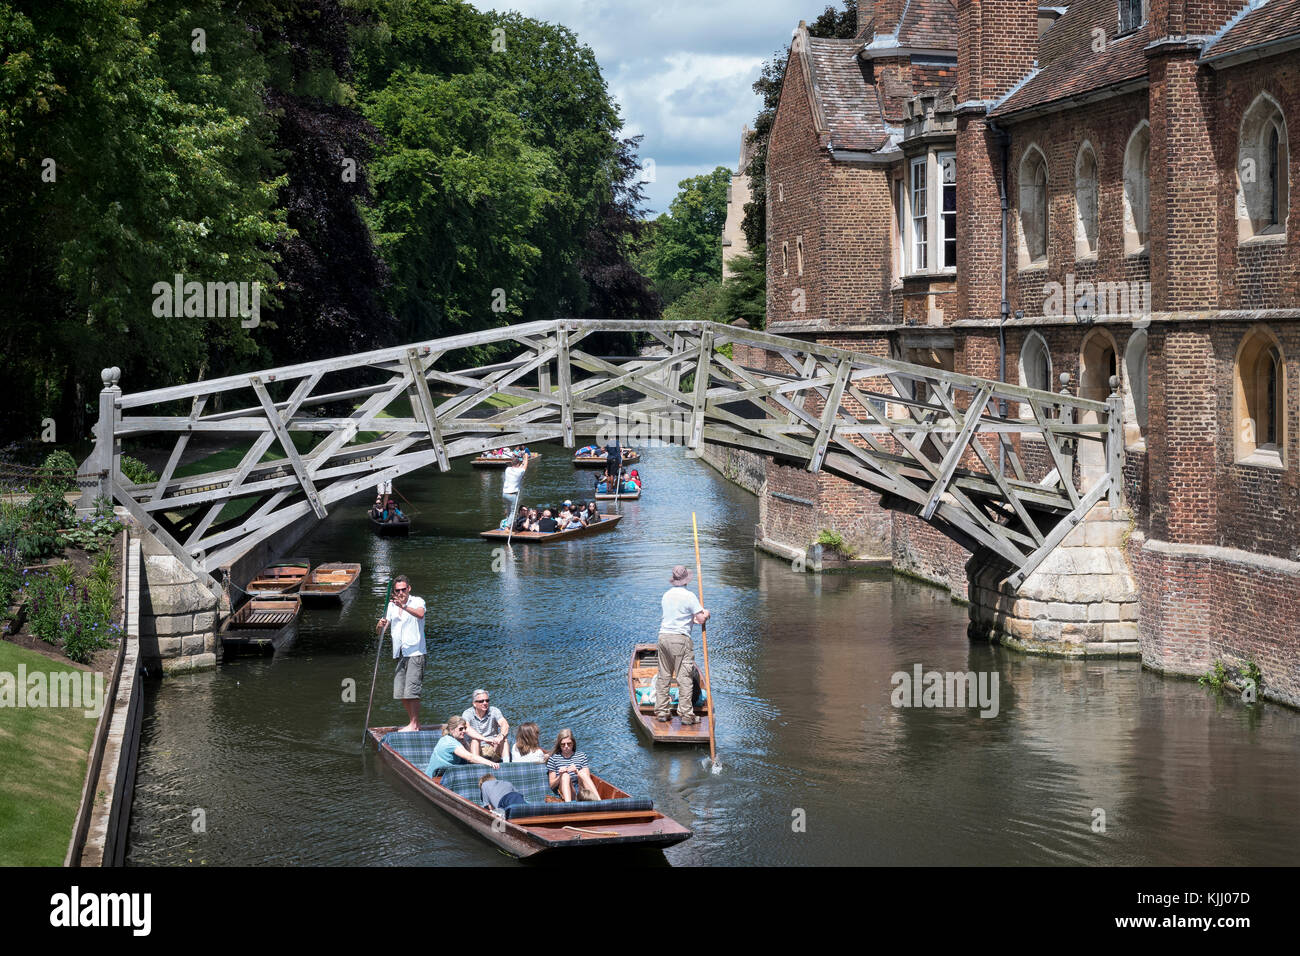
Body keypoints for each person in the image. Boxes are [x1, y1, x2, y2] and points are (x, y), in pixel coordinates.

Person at [655, 565, 710, 726]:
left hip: (663, 637)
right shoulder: (689, 596)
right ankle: (686, 715)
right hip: (680, 640)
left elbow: (679, 617)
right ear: (686, 580)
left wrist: (694, 618)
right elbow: (700, 619)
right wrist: (706, 613)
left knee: (663, 676)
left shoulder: (666, 595)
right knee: (684, 677)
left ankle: (662, 712)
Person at [376, 574, 426, 731]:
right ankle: (412, 722)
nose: (401, 593)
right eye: (397, 591)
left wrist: (403, 606)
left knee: (412, 691)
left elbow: (420, 614)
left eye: (403, 589)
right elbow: (381, 631)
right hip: (399, 653)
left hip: (415, 652)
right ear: (394, 592)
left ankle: (415, 724)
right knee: (401, 692)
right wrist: (380, 625)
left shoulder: (417, 601)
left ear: (409, 588)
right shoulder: (391, 607)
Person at [425, 716, 499, 776]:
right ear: (452, 730)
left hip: (445, 773)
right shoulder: (450, 743)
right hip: (435, 777)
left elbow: (470, 755)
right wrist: (490, 763)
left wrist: (464, 742)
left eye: (465, 728)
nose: (464, 731)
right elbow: (470, 758)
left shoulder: (453, 739)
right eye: (461, 729)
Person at [545, 728, 601, 801]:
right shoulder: (553, 759)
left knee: (582, 773)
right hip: (568, 791)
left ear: (573, 743)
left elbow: (587, 777)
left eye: (569, 744)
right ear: (559, 745)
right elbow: (552, 786)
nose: (566, 747)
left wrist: (577, 772)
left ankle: (600, 801)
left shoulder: (581, 756)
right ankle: (569, 805)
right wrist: (560, 775)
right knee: (565, 776)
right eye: (563, 744)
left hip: (581, 791)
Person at [462, 689, 510, 760]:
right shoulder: (467, 713)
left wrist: (501, 736)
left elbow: (504, 724)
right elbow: (467, 729)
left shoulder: (494, 710)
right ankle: (477, 767)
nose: (485, 703)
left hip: (493, 746)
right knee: (475, 740)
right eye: (481, 701)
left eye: (487, 700)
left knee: (504, 739)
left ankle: (506, 765)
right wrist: (485, 739)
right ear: (474, 703)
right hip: (476, 748)